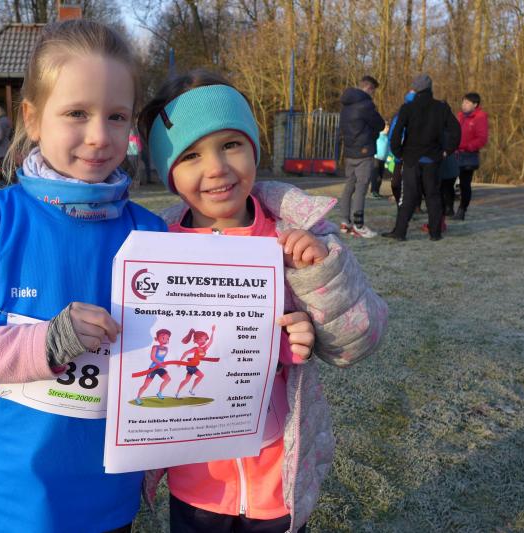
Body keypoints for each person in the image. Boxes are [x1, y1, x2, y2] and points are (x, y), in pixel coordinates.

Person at [0, 20, 171, 532]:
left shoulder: (152, 232)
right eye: (77, 113)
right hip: (18, 503)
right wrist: (47, 342)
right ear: (32, 118)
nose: (99, 136)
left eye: (116, 116)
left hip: (112, 499)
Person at [139, 70, 388, 533]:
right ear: (169, 171)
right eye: (191, 155)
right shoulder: (151, 247)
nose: (217, 167)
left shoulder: (299, 235)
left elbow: (360, 340)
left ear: (254, 148)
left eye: (231, 144)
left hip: (276, 479)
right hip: (196, 484)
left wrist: (317, 275)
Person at [382, 74, 460, 242]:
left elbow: (396, 134)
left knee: (408, 197)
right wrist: (447, 151)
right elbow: (456, 130)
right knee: (433, 196)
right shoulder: (441, 108)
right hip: (432, 159)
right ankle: (435, 233)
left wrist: (398, 152)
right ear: (430, 88)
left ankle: (400, 232)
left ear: (415, 89)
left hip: (411, 159)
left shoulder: (407, 108)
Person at [338, 75, 385, 238]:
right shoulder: (366, 105)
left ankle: (344, 222)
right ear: (369, 88)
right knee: (361, 188)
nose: (373, 95)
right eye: (374, 91)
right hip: (364, 152)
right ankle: (358, 225)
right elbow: (380, 124)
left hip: (349, 151)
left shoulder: (345, 105)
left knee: (349, 186)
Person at [452, 92, 489, 220]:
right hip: (455, 153)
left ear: (475, 104)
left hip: (468, 155)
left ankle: (462, 209)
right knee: (448, 181)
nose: (464, 104)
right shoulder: (460, 116)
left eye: (467, 102)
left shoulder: (480, 117)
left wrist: (468, 146)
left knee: (464, 184)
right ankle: (448, 208)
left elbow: (482, 138)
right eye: (463, 102)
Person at [174, 325, 215, 398]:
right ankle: (177, 393)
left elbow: (211, 342)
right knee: (187, 380)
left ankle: (191, 390)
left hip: (194, 366)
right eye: (201, 339)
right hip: (190, 366)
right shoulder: (196, 349)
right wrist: (180, 361)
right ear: (196, 340)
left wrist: (213, 331)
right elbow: (186, 353)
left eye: (205, 339)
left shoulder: (205, 348)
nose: (204, 341)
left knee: (200, 376)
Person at [134, 328, 173, 404]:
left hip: (160, 368)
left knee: (168, 379)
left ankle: (159, 393)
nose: (165, 340)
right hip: (153, 368)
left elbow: (162, 358)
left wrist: (163, 364)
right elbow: (153, 357)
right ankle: (138, 398)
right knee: (146, 385)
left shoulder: (166, 349)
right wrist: (160, 364)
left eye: (167, 338)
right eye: (163, 337)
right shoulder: (155, 347)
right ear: (157, 338)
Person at [370, 123, 389, 198]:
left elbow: (387, 149)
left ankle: (377, 191)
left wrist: (387, 158)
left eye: (388, 128)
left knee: (380, 176)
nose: (387, 129)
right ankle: (373, 191)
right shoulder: (377, 135)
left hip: (383, 159)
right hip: (376, 158)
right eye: (386, 128)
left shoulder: (387, 138)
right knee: (375, 175)